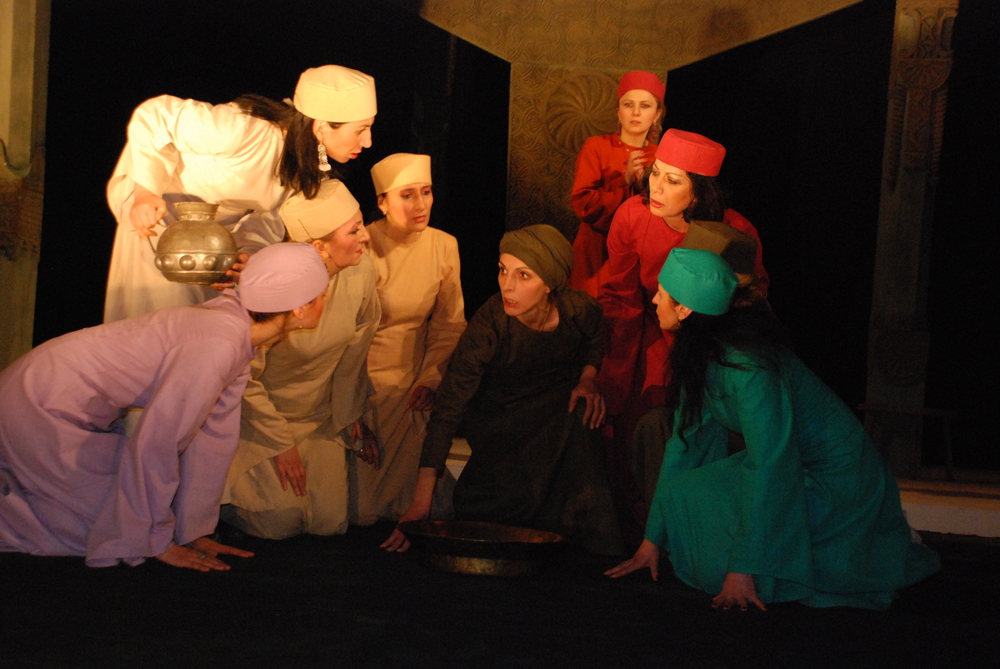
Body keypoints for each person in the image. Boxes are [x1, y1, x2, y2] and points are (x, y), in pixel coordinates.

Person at [606, 249, 940, 610]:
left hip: (835, 477)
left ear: (685, 309)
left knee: (742, 570)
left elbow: (770, 463)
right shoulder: (704, 352)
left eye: (661, 294)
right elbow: (686, 444)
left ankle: (878, 542)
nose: (655, 301)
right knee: (684, 492)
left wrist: (744, 568)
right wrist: (651, 542)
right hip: (787, 461)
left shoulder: (748, 366)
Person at [0, 243, 330, 570]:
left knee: (120, 515)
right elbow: (159, 442)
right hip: (38, 400)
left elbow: (213, 438)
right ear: (299, 309)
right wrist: (155, 540)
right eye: (321, 295)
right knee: (103, 530)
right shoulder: (219, 342)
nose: (326, 302)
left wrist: (191, 530)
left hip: (61, 398)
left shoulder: (236, 330)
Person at [383, 224, 623, 555]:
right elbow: (448, 411)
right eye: (503, 270)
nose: (507, 285)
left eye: (523, 276)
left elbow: (594, 342)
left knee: (583, 410)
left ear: (549, 283)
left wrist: (588, 378)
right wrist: (420, 503)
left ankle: (588, 534)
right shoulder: (490, 325)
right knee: (486, 517)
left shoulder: (578, 309)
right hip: (500, 421)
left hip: (553, 413)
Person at [598, 128, 769, 541]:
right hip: (649, 329)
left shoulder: (733, 231)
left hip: (710, 340)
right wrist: (614, 372)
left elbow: (750, 302)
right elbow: (619, 298)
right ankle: (643, 528)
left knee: (696, 425)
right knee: (639, 412)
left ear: (698, 192)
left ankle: (696, 530)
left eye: (673, 180)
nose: (656, 187)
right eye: (655, 173)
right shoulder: (632, 216)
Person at [105, 64, 377, 322]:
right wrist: (145, 192)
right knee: (164, 319)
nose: (367, 142)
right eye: (361, 130)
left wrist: (247, 254)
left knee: (206, 325)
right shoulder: (245, 131)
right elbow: (155, 115)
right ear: (321, 127)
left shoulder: (305, 167)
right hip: (159, 222)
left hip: (215, 244)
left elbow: (268, 218)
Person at [223, 179, 381, 539]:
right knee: (280, 523)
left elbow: (356, 351)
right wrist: (279, 442)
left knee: (329, 523)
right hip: (262, 421)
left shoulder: (362, 272)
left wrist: (349, 413)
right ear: (319, 246)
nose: (366, 236)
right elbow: (244, 376)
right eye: (354, 230)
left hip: (320, 418)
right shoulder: (279, 283)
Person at [353, 154, 466, 524]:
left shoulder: (443, 245)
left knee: (417, 505)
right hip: (360, 385)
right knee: (358, 510)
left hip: (413, 386)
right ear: (382, 202)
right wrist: (351, 406)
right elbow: (343, 335)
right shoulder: (362, 246)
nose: (420, 204)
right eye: (407, 195)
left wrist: (430, 378)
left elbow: (449, 324)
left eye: (426, 192)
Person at [568, 71, 665, 298]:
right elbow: (584, 205)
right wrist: (624, 180)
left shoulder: (661, 156)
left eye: (645, 106)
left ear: (657, 114)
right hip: (595, 252)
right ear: (618, 111)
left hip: (637, 254)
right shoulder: (597, 146)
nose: (636, 112)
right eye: (628, 104)